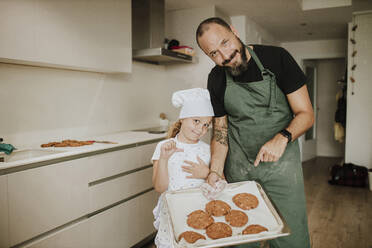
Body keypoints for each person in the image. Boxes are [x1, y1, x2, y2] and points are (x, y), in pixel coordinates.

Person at [195, 17, 314, 248]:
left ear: (234, 31)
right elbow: (220, 130)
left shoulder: (277, 59)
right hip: (240, 169)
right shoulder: (216, 78)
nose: (224, 56)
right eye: (214, 53)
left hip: (282, 169)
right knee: (241, 237)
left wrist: (283, 138)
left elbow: (306, 114)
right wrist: (215, 171)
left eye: (225, 43)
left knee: (292, 238)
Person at [151, 88, 214, 248]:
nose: (201, 129)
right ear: (183, 119)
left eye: (206, 124)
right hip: (172, 216)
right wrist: (164, 158)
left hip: (201, 215)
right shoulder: (164, 147)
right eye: (196, 121)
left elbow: (221, 185)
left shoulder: (208, 150)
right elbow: (159, 187)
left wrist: (206, 173)